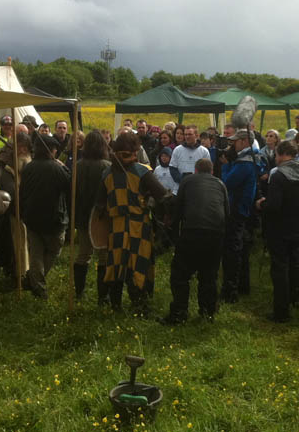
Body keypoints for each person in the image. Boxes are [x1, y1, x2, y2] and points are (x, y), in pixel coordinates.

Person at [96, 132, 170, 313]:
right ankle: (138, 304)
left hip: (119, 227)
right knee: (137, 264)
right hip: (137, 226)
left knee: (118, 264)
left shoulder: (107, 174)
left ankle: (117, 304)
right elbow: (162, 196)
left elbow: (99, 205)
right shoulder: (141, 172)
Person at [160, 158, 229, 325]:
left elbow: (179, 208)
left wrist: (174, 235)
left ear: (196, 170)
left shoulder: (187, 180)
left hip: (192, 231)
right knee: (209, 275)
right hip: (215, 233)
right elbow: (227, 212)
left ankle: (179, 313)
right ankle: (207, 313)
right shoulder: (220, 184)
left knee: (180, 275)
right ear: (212, 172)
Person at [257, 140, 299, 322]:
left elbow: (274, 205)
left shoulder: (279, 176)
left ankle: (281, 310)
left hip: (279, 228)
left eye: (277, 154)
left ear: (283, 154)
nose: (276, 158)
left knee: (279, 269)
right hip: (297, 225)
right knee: (295, 265)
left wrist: (263, 204)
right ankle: (296, 298)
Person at [20, 134, 71, 299]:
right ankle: (37, 284)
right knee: (54, 250)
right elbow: (69, 186)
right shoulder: (57, 168)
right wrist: (64, 167)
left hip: (32, 216)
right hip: (54, 218)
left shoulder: (29, 167)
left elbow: (23, 191)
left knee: (36, 253)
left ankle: (34, 281)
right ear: (53, 151)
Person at [220, 129, 259, 302]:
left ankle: (230, 290)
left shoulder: (244, 163)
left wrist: (226, 164)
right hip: (243, 209)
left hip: (236, 209)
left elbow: (226, 182)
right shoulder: (252, 158)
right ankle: (243, 286)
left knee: (232, 250)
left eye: (235, 141)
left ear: (244, 141)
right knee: (241, 248)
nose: (232, 145)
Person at [73, 130, 111, 305]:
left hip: (82, 215)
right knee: (103, 256)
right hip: (101, 216)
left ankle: (79, 292)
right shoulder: (107, 166)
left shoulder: (78, 165)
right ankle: (102, 297)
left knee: (83, 254)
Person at [0, 132, 32, 278]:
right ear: (16, 147)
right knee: (12, 245)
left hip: (25, 211)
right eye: (21, 148)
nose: (24, 151)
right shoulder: (6, 164)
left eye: (26, 148)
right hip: (11, 211)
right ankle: (14, 273)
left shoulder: (25, 161)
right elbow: (10, 191)